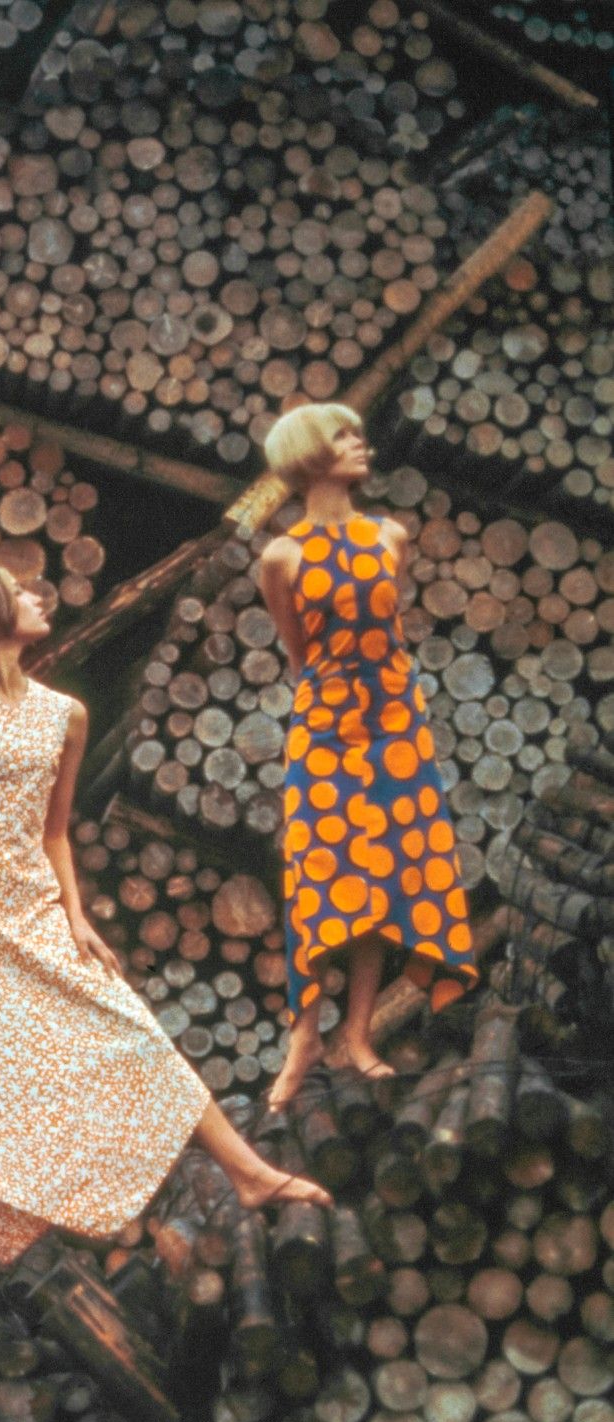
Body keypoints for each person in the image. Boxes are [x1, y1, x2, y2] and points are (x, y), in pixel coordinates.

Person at [0, 565, 330, 1302]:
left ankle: (249, 1174)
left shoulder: (65, 714)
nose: (38, 597)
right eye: (20, 590)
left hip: (29, 903)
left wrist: (75, 914)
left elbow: (57, 831)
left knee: (128, 1028)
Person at [257, 403, 477, 1113]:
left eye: (357, 432)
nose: (362, 444)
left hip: (394, 721)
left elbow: (386, 627)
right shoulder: (281, 556)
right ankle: (305, 1038)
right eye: (345, 436)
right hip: (325, 724)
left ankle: (356, 1035)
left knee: (383, 866)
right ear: (309, 453)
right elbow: (299, 654)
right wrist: (335, 704)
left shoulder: (388, 535)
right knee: (320, 869)